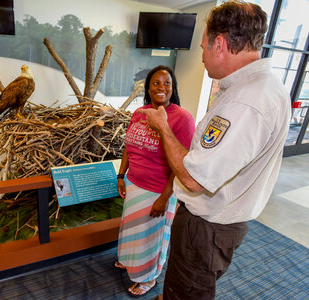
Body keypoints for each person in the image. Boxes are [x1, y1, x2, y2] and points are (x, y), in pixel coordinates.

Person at [139, 1, 291, 299]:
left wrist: (164, 128)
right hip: (213, 220)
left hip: (207, 225)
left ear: (219, 44)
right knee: (183, 281)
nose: (203, 56)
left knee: (190, 288)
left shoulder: (246, 102)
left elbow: (195, 179)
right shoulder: (258, 87)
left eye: (203, 47)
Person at [116, 65, 195, 297]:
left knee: (150, 238)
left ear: (173, 88)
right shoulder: (140, 113)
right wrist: (121, 176)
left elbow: (181, 162)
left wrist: (164, 197)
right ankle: (131, 262)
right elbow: (128, 147)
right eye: (156, 83)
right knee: (132, 232)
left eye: (167, 83)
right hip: (133, 185)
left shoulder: (182, 118)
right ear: (148, 88)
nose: (161, 87)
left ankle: (148, 277)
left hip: (158, 191)